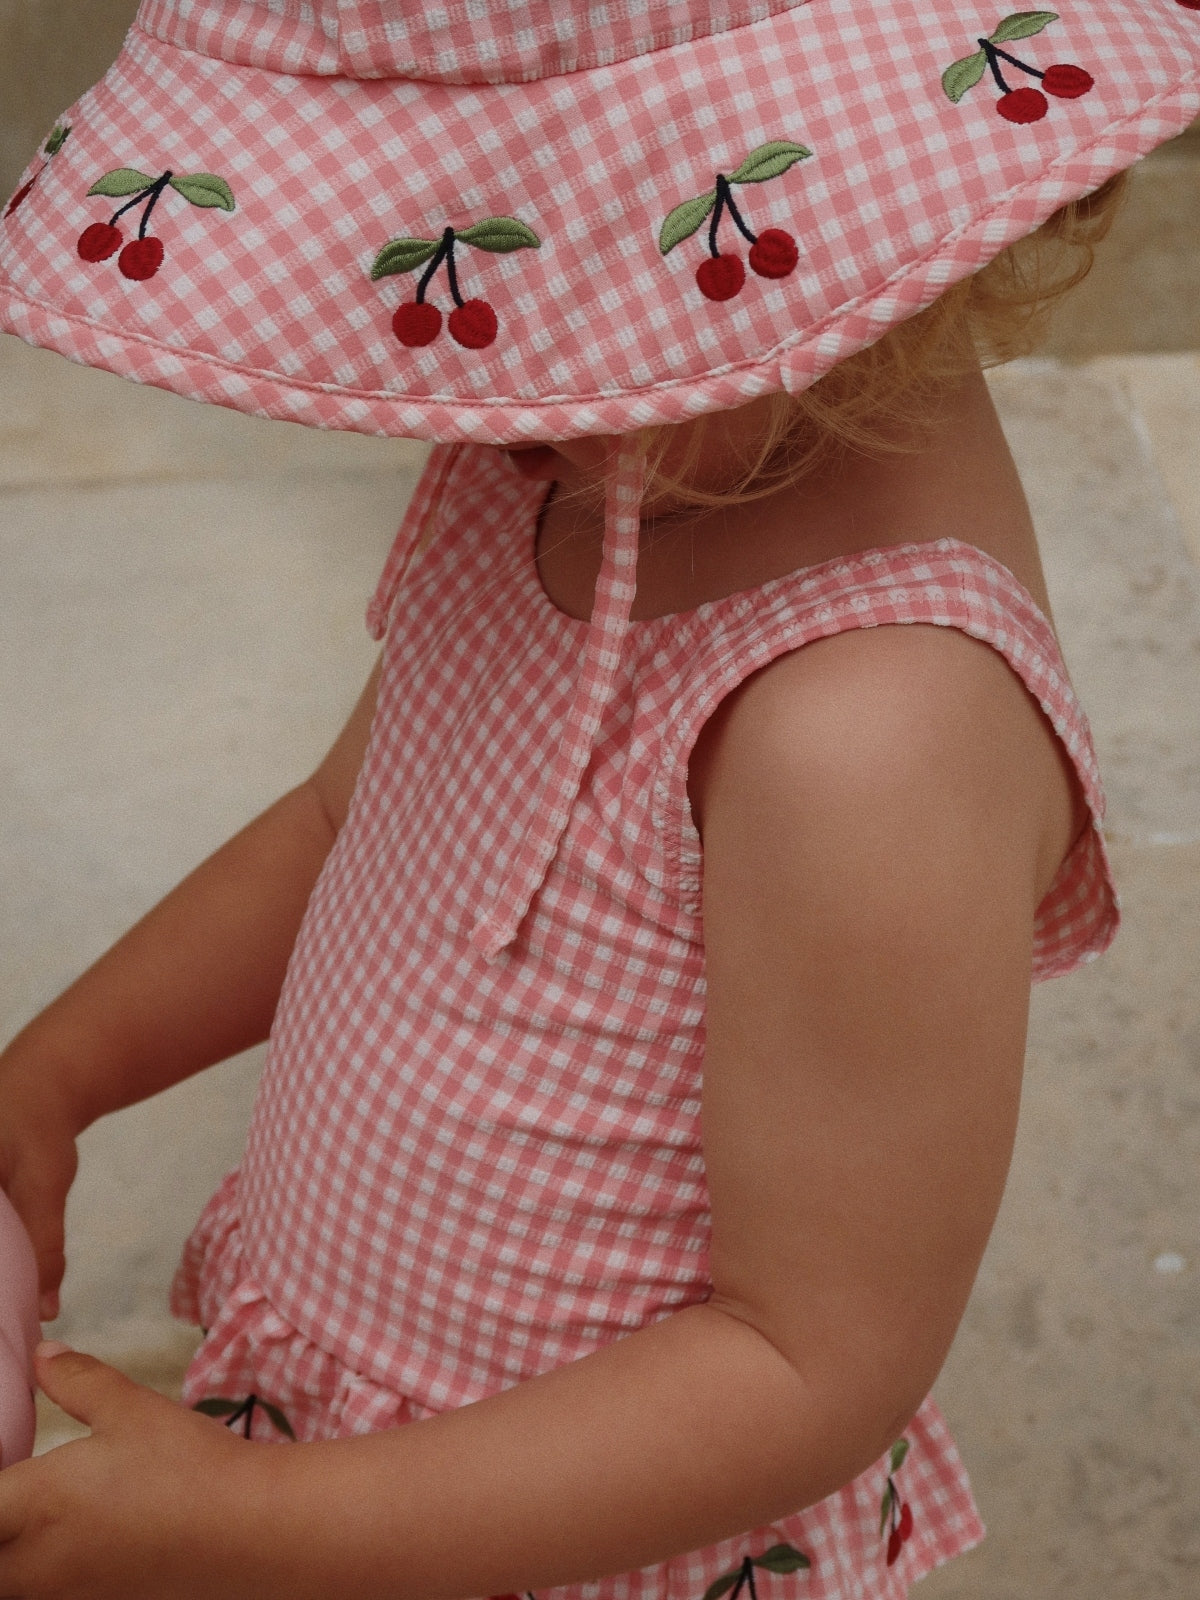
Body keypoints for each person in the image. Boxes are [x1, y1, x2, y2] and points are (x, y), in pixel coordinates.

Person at [0, 2, 1195, 1595]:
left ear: (840, 229)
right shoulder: (589, 438)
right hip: (347, 1446)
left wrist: (257, 1531)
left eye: (541, 264)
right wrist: (64, 1065)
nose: (457, 341)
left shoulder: (870, 726)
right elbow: (350, 824)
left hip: (570, 1539)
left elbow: (810, 1364)